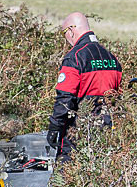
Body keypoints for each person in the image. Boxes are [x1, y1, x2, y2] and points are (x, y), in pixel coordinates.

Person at [47, 12, 122, 162]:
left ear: (71, 30)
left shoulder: (74, 57)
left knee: (65, 174)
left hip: (79, 128)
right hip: (107, 127)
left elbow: (65, 99)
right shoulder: (112, 58)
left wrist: (55, 127)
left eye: (64, 34)